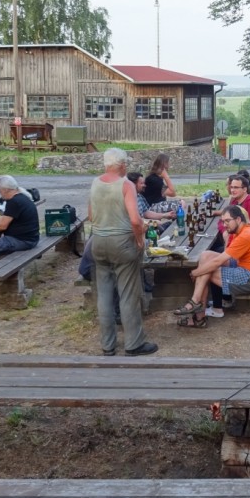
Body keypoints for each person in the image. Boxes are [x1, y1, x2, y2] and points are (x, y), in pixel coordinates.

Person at [88, 148, 157, 356]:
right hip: (122, 243)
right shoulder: (126, 185)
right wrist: (139, 238)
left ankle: (108, 345)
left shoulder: (95, 183)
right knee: (128, 293)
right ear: (123, 165)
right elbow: (136, 220)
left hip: (98, 242)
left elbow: (91, 216)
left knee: (104, 294)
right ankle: (133, 343)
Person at [174, 205, 250, 327]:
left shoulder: (246, 235)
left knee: (206, 271)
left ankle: (197, 311)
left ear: (238, 220)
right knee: (206, 256)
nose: (225, 224)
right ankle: (197, 309)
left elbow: (218, 262)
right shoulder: (243, 230)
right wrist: (201, 270)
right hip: (244, 266)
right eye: (223, 221)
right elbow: (225, 255)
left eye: (227, 221)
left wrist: (196, 272)